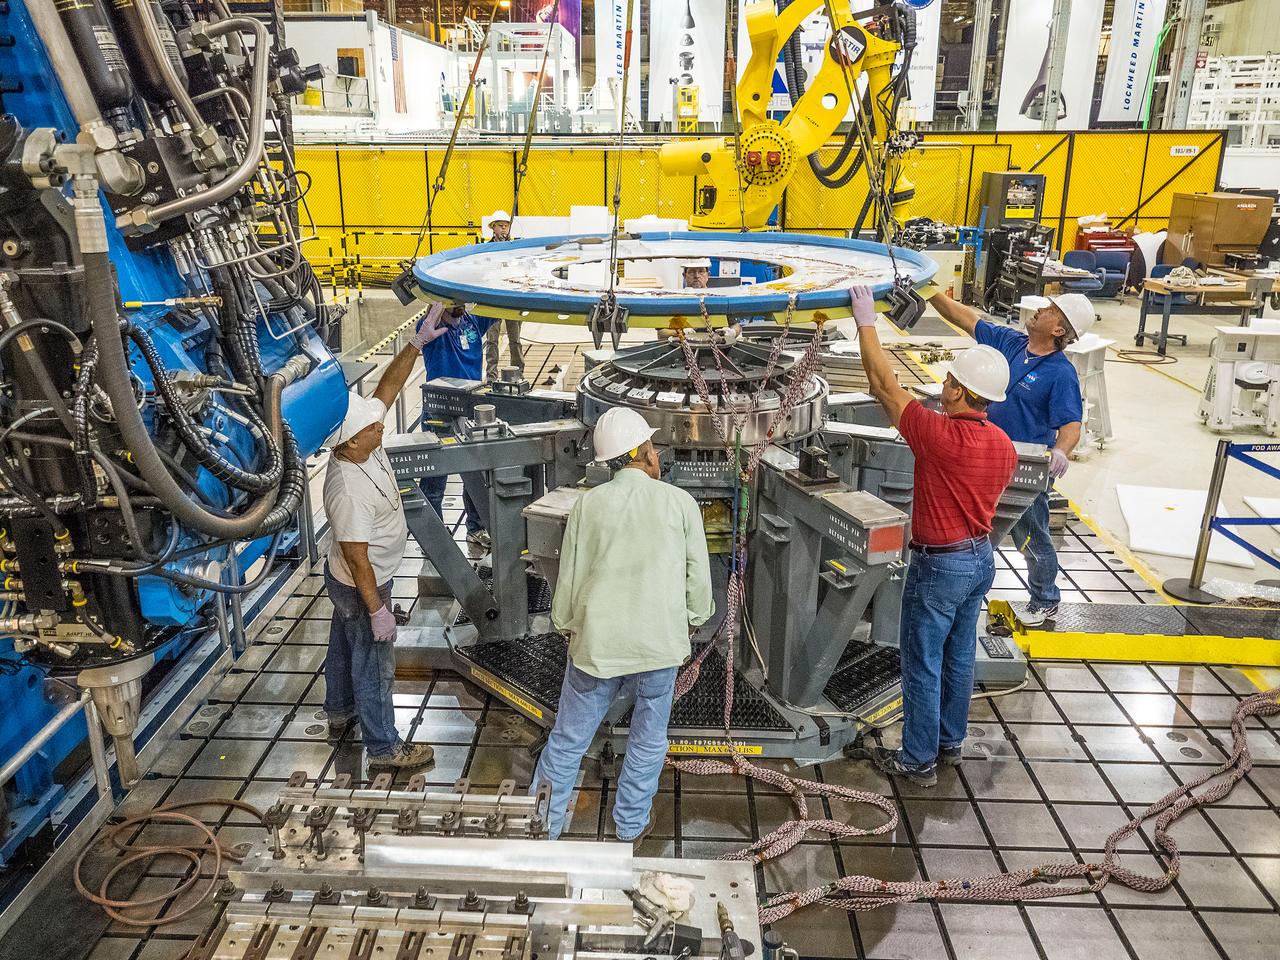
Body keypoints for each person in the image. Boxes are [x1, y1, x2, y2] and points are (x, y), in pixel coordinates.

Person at [850, 286, 1017, 787]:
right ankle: (949, 741)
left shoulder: (938, 436)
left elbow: (882, 385)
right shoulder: (1003, 445)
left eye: (949, 381)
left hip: (940, 564)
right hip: (980, 559)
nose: (942, 384)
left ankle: (917, 758)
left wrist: (866, 323)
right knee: (959, 654)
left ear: (960, 392)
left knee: (922, 661)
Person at [531, 407, 714, 840]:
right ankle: (630, 825)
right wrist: (688, 624)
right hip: (658, 650)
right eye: (653, 449)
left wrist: (569, 626)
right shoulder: (680, 503)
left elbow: (570, 581)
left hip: (597, 650)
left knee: (568, 740)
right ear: (645, 454)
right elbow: (698, 586)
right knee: (648, 741)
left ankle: (542, 827)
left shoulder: (588, 505)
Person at [928, 290, 1093, 626]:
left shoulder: (1060, 373)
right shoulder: (1013, 343)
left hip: (1022, 468)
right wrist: (930, 292)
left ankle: (1045, 599)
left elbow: (1072, 425)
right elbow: (967, 318)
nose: (1040, 310)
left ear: (1059, 330)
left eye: (1049, 310)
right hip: (983, 457)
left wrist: (1061, 451)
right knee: (975, 528)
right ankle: (963, 587)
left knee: (1031, 534)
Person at [323, 333, 438, 770]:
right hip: (360, 584)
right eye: (373, 427)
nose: (381, 424)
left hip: (347, 581)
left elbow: (386, 391)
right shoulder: (348, 490)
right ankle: (385, 748)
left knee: (342, 645)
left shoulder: (359, 445)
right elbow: (358, 558)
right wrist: (378, 611)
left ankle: (339, 711)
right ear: (351, 441)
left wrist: (415, 343)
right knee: (373, 664)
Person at [417, 300, 495, 550]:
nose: (459, 305)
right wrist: (436, 298)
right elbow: (428, 322)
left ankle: (476, 528)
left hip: (470, 407)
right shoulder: (431, 328)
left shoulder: (472, 322)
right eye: (452, 301)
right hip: (439, 412)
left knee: (476, 475)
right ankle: (434, 537)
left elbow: (495, 304)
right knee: (434, 477)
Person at [483, 210, 525, 382]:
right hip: (493, 301)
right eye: (500, 226)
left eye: (506, 226)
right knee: (492, 340)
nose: (504, 229)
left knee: (515, 340)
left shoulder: (514, 248)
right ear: (493, 227)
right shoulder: (486, 249)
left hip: (511, 300)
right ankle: (491, 376)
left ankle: (518, 374)